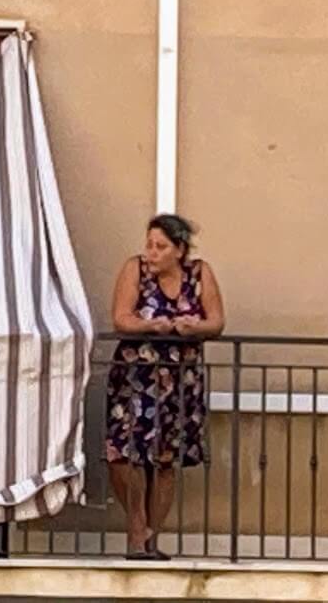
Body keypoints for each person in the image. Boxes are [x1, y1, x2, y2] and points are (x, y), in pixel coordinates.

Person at [105, 214, 225, 560]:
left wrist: (194, 327)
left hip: (180, 382)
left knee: (165, 459)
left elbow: (216, 321)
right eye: (149, 245)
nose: (152, 253)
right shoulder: (136, 270)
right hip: (135, 377)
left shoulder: (200, 274)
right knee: (122, 451)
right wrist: (150, 325)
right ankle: (137, 528)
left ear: (180, 250)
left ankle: (150, 539)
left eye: (161, 247)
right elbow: (121, 317)